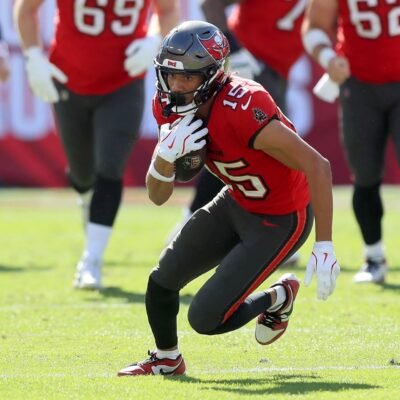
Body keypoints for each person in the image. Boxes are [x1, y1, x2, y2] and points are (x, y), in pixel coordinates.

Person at [117, 21, 340, 376]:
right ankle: (166, 359)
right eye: (170, 75)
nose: (175, 86)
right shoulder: (168, 105)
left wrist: (324, 244)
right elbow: (158, 196)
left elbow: (318, 165)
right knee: (162, 279)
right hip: (237, 201)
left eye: (186, 77)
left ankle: (279, 295)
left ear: (211, 76)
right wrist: (162, 158)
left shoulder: (243, 106)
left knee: (205, 317)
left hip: (281, 217)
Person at [14, 0, 179, 289]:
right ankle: (85, 197)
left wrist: (155, 39)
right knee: (82, 175)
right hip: (69, 78)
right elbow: (26, 8)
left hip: (123, 82)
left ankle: (92, 259)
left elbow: (168, 10)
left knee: (110, 168)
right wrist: (32, 56)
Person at [167, 0, 307, 268]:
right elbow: (210, 5)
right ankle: (193, 223)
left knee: (265, 154)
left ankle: (267, 234)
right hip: (247, 69)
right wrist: (236, 48)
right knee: (238, 149)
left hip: (274, 72)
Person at [302, 0, 400, 284]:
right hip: (359, 85)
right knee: (365, 174)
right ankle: (374, 256)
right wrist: (328, 58)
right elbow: (314, 26)